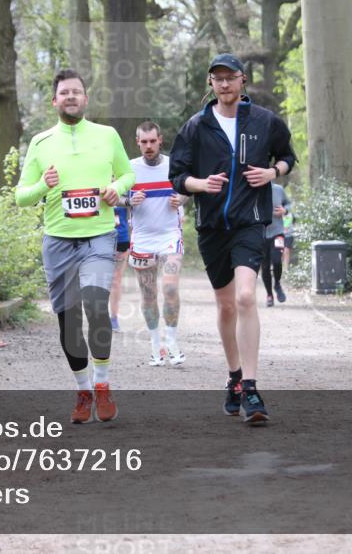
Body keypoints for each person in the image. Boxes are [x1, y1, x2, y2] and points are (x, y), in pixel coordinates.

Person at [169, 54, 296, 425]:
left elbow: (288, 156)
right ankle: (235, 377)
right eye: (217, 78)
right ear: (210, 83)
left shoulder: (264, 121)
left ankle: (253, 388)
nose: (224, 84)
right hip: (211, 229)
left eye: (231, 78)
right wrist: (200, 185)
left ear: (242, 81)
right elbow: (178, 175)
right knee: (225, 306)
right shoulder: (196, 127)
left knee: (245, 297)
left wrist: (272, 172)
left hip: (250, 223)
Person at [16, 69, 135, 424]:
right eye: (64, 92)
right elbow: (21, 196)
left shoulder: (107, 135)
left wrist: (119, 189)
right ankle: (83, 389)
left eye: (77, 92)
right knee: (68, 321)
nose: (71, 97)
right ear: (54, 101)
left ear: (85, 99)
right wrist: (42, 185)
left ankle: (102, 383)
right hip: (58, 241)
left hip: (98, 235)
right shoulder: (39, 143)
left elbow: (128, 173)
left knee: (97, 304)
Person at [125, 121, 188, 367]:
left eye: (153, 141)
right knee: (148, 293)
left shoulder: (175, 165)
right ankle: (155, 344)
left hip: (170, 234)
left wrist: (180, 199)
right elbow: (112, 196)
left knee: (170, 287)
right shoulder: (129, 169)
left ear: (160, 140)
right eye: (144, 142)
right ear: (137, 142)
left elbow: (189, 189)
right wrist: (129, 200)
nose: (149, 146)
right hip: (141, 238)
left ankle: (171, 340)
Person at [262, 183, 291, 307]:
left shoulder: (278, 189)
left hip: (278, 232)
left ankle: (277, 284)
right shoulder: (252, 190)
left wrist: (285, 210)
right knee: (265, 266)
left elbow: (289, 204)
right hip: (260, 234)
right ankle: (269, 294)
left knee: (277, 260)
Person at [108, 206, 131, 334]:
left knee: (115, 281)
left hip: (121, 239)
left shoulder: (125, 188)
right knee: (98, 279)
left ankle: (114, 318)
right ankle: (98, 316)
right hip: (98, 238)